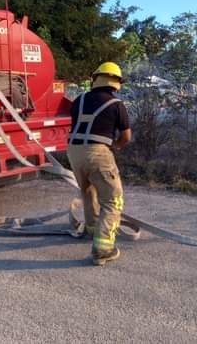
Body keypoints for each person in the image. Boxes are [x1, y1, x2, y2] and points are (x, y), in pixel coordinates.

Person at [67, 61, 132, 266]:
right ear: (116, 83)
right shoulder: (116, 105)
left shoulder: (79, 100)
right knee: (113, 200)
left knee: (88, 190)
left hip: (74, 151)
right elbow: (126, 137)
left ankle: (93, 229)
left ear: (95, 79)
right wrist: (115, 147)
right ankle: (103, 249)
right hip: (98, 153)